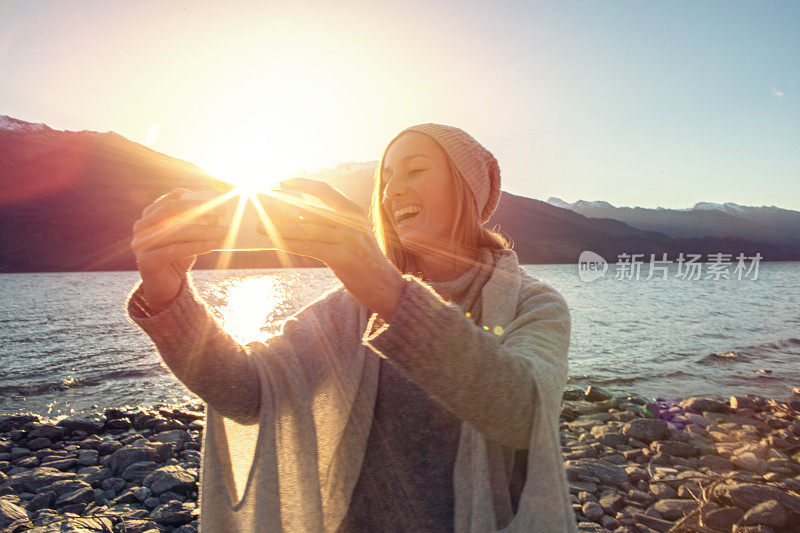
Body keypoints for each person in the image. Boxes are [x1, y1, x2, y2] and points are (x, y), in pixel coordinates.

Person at [126, 123, 577, 532]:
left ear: (468, 190)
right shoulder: (351, 305)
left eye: (415, 171)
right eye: (385, 179)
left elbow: (523, 414)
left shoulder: (532, 304)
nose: (392, 191)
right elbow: (248, 394)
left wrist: (387, 290)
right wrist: (168, 296)